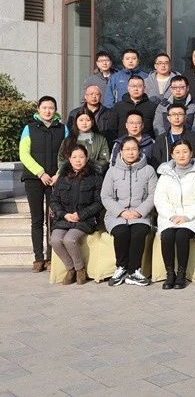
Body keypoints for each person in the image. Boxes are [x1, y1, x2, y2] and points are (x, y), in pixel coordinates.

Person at [155, 140, 195, 289]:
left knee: (181, 235)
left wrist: (187, 216)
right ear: (172, 155)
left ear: (191, 153)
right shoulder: (165, 175)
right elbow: (160, 199)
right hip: (170, 217)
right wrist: (171, 216)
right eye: (178, 152)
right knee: (167, 235)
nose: (182, 155)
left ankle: (181, 274)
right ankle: (170, 274)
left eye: (185, 151)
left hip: (193, 218)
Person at [101, 137, 158, 287]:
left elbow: (153, 195)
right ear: (121, 151)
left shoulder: (149, 170)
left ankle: (134, 271)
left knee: (139, 232)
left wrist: (139, 212)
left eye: (134, 149)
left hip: (141, 214)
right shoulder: (112, 171)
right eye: (127, 149)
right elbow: (106, 196)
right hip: (116, 215)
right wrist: (121, 212)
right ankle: (121, 268)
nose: (131, 152)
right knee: (121, 232)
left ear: (139, 151)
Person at [20, 96, 68, 272]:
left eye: (51, 108)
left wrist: (58, 174)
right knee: (37, 219)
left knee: (53, 219)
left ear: (55, 110)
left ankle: (51, 257)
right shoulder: (29, 128)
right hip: (34, 179)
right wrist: (40, 172)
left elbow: (68, 153)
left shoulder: (63, 129)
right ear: (38, 109)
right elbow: (24, 154)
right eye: (45, 107)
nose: (48, 111)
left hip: (55, 180)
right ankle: (38, 258)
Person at [49, 145, 103, 285]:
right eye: (74, 157)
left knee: (69, 239)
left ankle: (80, 269)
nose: (78, 160)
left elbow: (98, 203)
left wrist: (80, 215)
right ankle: (71, 268)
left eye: (81, 157)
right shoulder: (62, 177)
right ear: (69, 159)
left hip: (85, 219)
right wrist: (64, 214)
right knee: (55, 240)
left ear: (87, 158)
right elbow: (54, 200)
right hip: (64, 218)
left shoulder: (95, 177)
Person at [57, 108, 110, 174]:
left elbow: (105, 160)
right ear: (76, 122)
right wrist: (73, 170)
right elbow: (61, 159)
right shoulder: (68, 140)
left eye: (88, 120)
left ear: (92, 122)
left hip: (93, 176)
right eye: (81, 120)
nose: (84, 123)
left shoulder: (101, 139)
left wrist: (90, 168)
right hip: (71, 176)